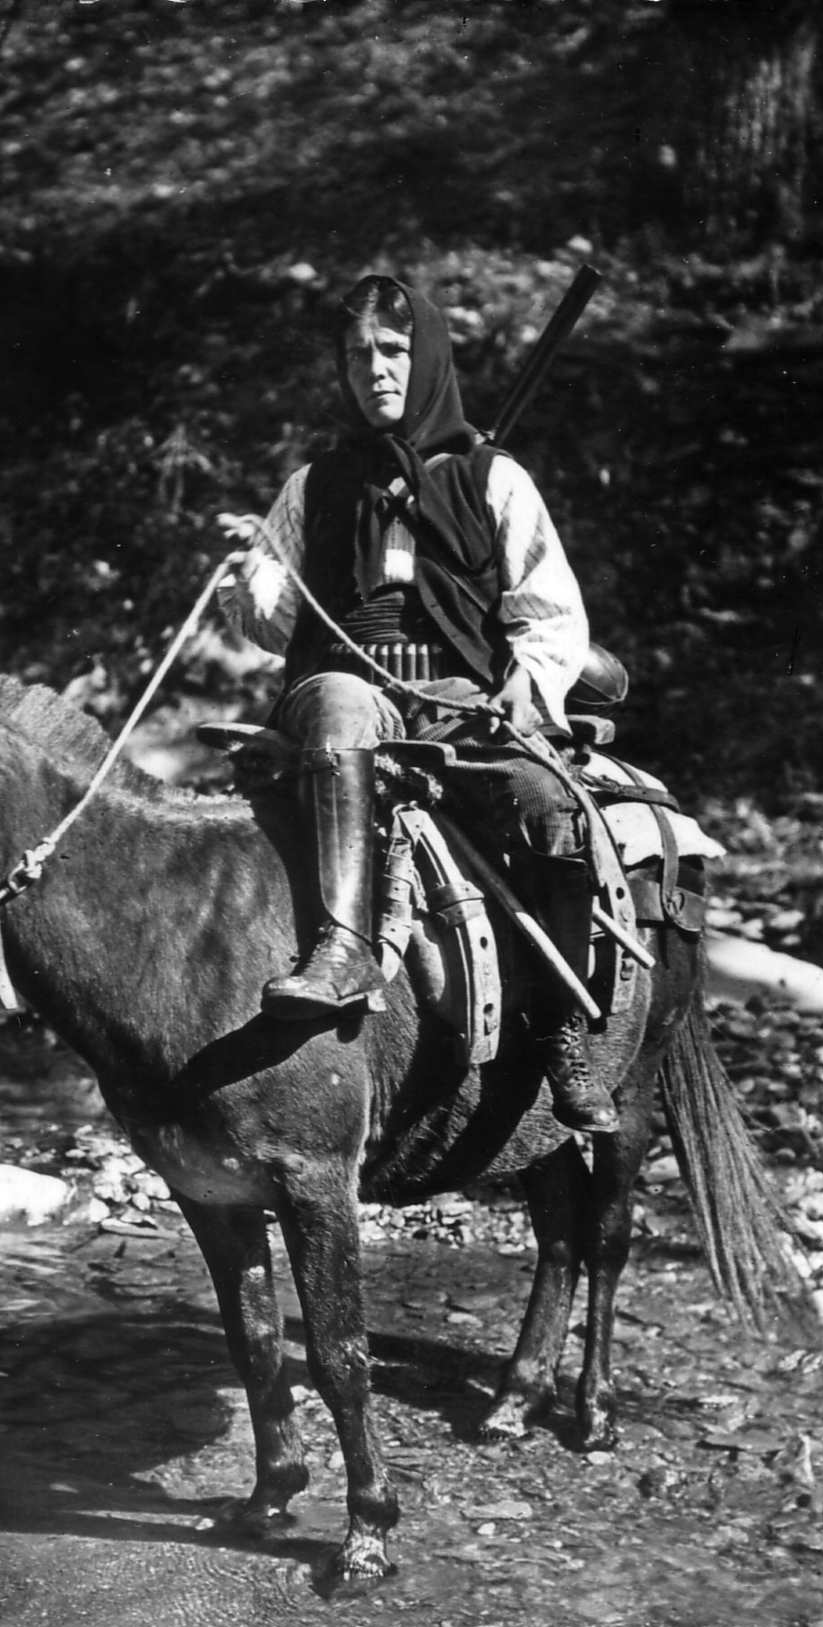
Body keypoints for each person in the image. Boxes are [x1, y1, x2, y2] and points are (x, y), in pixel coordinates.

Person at [218, 273, 617, 1133]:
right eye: (357, 355)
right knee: (337, 706)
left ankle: (558, 1029)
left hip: (461, 699)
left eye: (393, 351)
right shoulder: (314, 486)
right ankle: (344, 951)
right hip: (345, 687)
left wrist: (522, 687)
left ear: (425, 355)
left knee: (552, 811)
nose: (376, 371)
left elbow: (550, 612)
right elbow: (275, 624)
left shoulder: (491, 479)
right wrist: (252, 567)